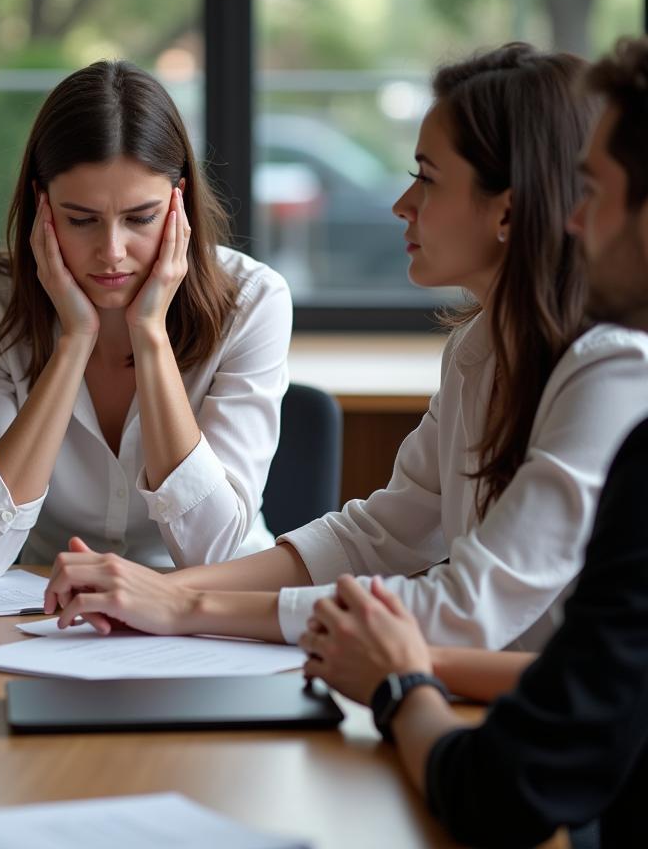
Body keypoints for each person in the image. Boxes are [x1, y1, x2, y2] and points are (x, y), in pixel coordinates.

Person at [44, 43, 648, 655]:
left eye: (427, 179)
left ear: (508, 212)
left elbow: (465, 609)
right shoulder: (479, 347)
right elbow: (376, 537)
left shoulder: (611, 369)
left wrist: (184, 604)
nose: (401, 205)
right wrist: (154, 591)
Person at [300, 36, 648, 849]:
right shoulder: (482, 348)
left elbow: (512, 781)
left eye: (593, 189)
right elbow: (591, 685)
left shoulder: (619, 380)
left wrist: (398, 679)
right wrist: (186, 603)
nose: (572, 216)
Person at [0, 60, 292, 578]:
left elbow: (210, 553)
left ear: (180, 203)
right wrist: (74, 340)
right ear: (43, 206)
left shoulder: (254, 300)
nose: (112, 252)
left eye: (140, 218)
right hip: (47, 602)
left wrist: (151, 336)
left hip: (205, 608)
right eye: (81, 220)